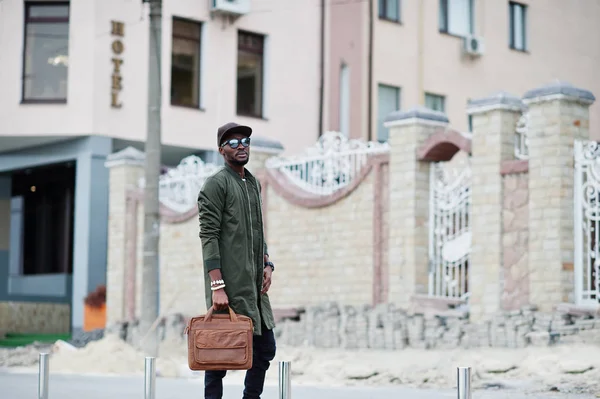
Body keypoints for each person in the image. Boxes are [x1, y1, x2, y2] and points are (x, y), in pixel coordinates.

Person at [197, 122, 277, 399]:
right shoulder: (216, 184)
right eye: (233, 142)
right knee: (218, 357)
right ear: (221, 150)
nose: (241, 145)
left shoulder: (252, 181)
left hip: (255, 286)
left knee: (265, 350)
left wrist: (267, 263)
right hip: (228, 287)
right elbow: (208, 236)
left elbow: (257, 229)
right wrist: (217, 285)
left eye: (244, 141)